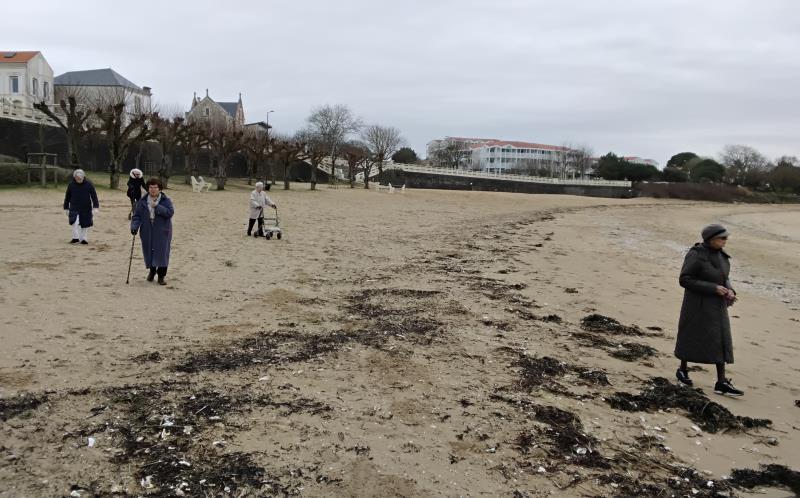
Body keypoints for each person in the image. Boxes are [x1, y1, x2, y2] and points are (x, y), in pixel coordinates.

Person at [674, 224, 742, 396]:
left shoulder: (721, 255)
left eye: (726, 238)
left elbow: (724, 278)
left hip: (717, 305)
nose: (726, 241)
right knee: (690, 335)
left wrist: (730, 290)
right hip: (696, 305)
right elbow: (685, 279)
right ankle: (682, 370)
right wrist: (713, 288)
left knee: (720, 339)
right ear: (711, 239)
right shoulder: (696, 254)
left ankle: (721, 381)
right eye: (723, 238)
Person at [130, 178, 174, 285]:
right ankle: (152, 271)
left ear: (160, 189)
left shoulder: (166, 200)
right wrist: (134, 227)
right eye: (150, 187)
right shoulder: (142, 201)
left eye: (155, 187)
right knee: (150, 251)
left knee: (162, 253)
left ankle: (161, 276)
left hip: (163, 231)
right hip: (147, 230)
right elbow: (136, 216)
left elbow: (170, 213)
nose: (153, 189)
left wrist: (157, 207)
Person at [63, 169, 99, 244]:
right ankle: (75, 238)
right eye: (77, 178)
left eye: (80, 178)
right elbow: (67, 197)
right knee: (74, 222)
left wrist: (95, 207)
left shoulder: (89, 184)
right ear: (74, 177)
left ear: (83, 177)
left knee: (85, 224)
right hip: (74, 207)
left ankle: (83, 239)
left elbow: (94, 196)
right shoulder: (71, 185)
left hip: (86, 208)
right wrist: (66, 208)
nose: (78, 179)